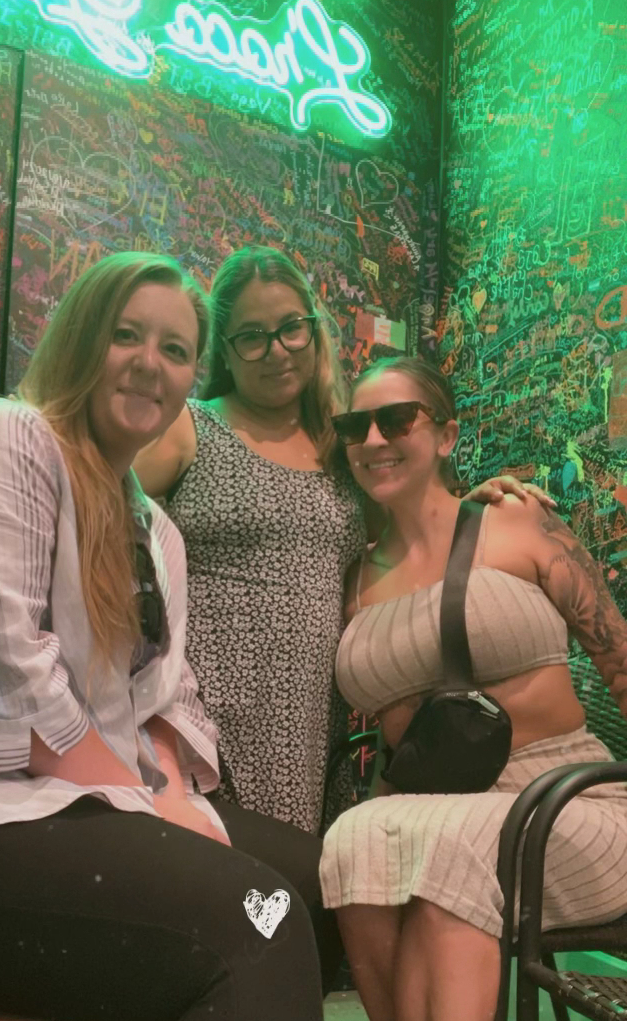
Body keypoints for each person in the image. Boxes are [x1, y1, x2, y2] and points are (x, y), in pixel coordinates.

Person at [0, 253, 327, 1021]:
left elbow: (166, 703)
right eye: (126, 335)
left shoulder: (154, 529)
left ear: (191, 378)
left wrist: (173, 801)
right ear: (79, 339)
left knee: (314, 878)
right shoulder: (4, 436)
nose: (149, 363)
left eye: (175, 349)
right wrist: (147, 810)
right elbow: (13, 687)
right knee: (258, 927)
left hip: (70, 808)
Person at [319, 356, 627, 1021]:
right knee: (350, 843)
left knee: (448, 851)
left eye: (399, 419)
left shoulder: (516, 524)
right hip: (442, 810)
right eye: (356, 426)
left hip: (567, 801)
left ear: (446, 433)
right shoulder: (355, 574)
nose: (375, 439)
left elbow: (618, 656)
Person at [135, 245, 552, 834]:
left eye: (291, 328)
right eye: (251, 336)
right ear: (223, 350)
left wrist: (467, 509)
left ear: (313, 329)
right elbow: (103, 515)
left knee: (295, 872)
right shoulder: (190, 426)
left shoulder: (345, 445)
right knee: (213, 866)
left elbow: (406, 537)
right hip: (202, 707)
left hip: (309, 718)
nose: (276, 350)